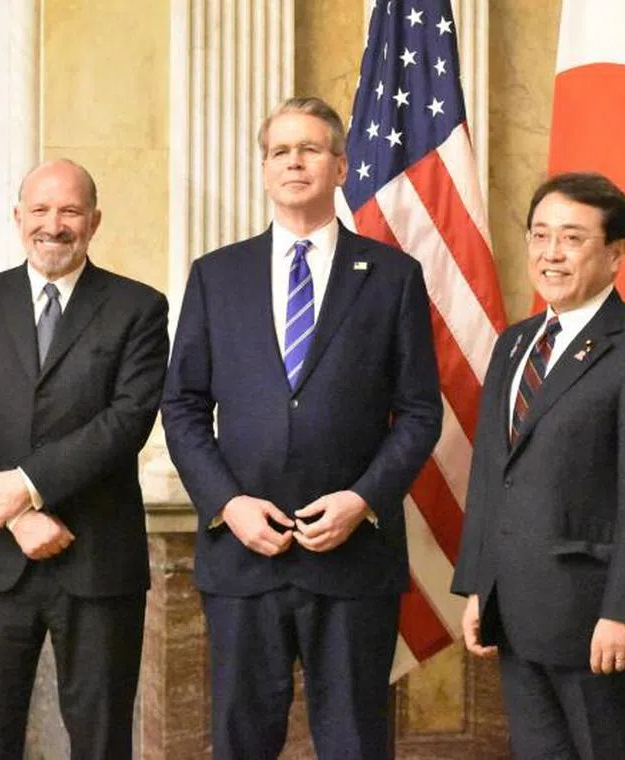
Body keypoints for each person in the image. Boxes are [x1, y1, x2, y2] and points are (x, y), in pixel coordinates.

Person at [161, 96, 442, 759]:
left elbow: (420, 411)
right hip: (243, 555)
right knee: (241, 742)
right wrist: (227, 505)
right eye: (280, 151)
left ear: (340, 167)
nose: (294, 162)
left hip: (352, 557)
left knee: (354, 743)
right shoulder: (216, 275)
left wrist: (362, 500)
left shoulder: (393, 276)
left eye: (310, 149)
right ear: (264, 170)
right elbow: (183, 406)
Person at [0, 158, 169, 759]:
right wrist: (16, 513)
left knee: (101, 740)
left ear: (94, 221)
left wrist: (29, 484)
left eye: (69, 211)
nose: (53, 225)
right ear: (18, 217)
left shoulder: (139, 307)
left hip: (98, 557)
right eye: (39, 209)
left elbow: (126, 423)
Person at [451, 172, 625, 759]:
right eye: (540, 235)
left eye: (572, 238)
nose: (550, 253)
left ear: (616, 254)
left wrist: (623, 613)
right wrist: (480, 585)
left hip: (598, 625)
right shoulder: (515, 343)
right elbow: (493, 473)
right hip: (519, 616)